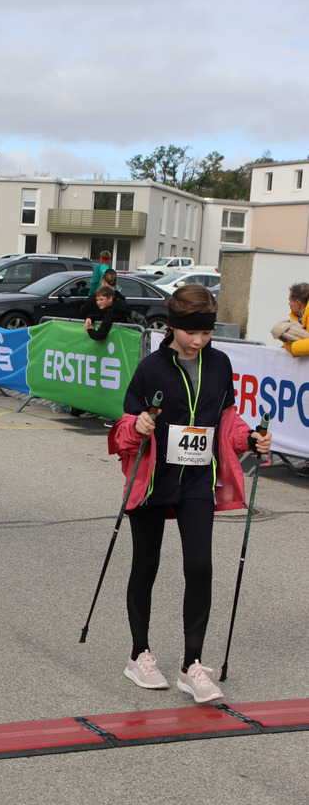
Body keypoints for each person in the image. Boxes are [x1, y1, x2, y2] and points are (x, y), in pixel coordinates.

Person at [108, 285, 272, 703]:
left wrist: (250, 438)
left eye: (206, 333)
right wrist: (138, 426)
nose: (198, 341)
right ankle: (138, 655)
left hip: (198, 480)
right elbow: (124, 426)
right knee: (146, 566)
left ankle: (191, 666)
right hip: (154, 478)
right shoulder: (151, 369)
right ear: (173, 326)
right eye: (190, 332)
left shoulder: (220, 365)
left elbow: (227, 421)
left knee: (200, 566)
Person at [271, 282, 309, 357]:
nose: (289, 304)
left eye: (290, 301)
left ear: (298, 303)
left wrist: (293, 348)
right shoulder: (299, 319)